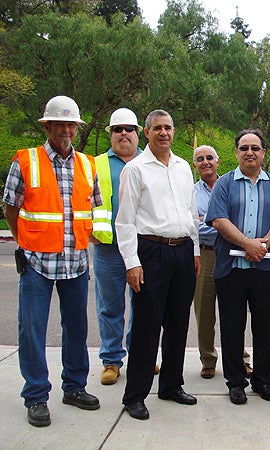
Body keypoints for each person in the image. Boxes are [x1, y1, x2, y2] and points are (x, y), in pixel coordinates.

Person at [3, 95, 101, 427]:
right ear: (47, 127)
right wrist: (24, 242)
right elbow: (11, 208)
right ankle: (36, 396)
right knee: (32, 328)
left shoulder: (87, 164)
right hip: (37, 262)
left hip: (76, 263)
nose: (66, 130)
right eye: (59, 124)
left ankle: (74, 387)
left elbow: (92, 208)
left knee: (77, 328)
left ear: (76, 127)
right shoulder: (26, 161)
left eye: (71, 125)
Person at [115, 110, 201, 420]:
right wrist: (132, 262)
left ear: (173, 131)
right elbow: (124, 221)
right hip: (151, 252)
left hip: (182, 251)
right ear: (147, 132)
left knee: (178, 323)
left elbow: (191, 212)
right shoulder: (135, 169)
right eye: (157, 128)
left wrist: (195, 251)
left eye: (168, 128)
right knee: (146, 326)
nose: (164, 133)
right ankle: (135, 395)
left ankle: (171, 385)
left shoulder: (182, 167)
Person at [205, 129, 270, 405]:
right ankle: (236, 382)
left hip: (266, 271)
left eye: (255, 148)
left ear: (263, 153)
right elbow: (218, 220)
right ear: (236, 153)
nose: (250, 153)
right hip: (231, 269)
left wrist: (263, 245)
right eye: (244, 148)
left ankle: (263, 381)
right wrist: (247, 244)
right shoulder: (224, 184)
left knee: (264, 328)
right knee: (232, 328)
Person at [91, 108, 143, 385]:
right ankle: (111, 360)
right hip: (108, 247)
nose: (124, 133)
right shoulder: (96, 164)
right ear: (110, 134)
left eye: (129, 129)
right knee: (110, 306)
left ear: (138, 134)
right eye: (117, 129)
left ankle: (140, 354)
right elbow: (80, 199)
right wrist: (88, 231)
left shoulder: (149, 162)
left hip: (143, 246)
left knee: (143, 305)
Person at [191, 145, 252, 379]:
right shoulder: (191, 192)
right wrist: (221, 222)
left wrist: (207, 219)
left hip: (230, 252)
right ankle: (208, 360)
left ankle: (240, 358)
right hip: (205, 255)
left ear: (217, 161)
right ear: (195, 165)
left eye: (209, 158)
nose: (205, 162)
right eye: (200, 159)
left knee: (234, 311)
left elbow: (237, 220)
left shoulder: (230, 186)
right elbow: (193, 226)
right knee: (204, 311)